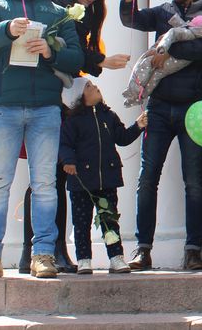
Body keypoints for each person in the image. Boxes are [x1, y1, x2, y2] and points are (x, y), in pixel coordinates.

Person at [0, 0, 83, 281]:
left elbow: (76, 59)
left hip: (45, 109)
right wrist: (7, 29)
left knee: (45, 184)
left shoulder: (58, 14)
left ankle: (43, 255)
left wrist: (50, 51)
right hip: (4, 107)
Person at [17, 0, 131, 274]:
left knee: (51, 176)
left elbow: (78, 55)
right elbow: (71, 51)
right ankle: (43, 249)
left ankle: (42, 249)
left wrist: (98, 62)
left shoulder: (80, 9)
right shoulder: (58, 6)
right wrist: (101, 60)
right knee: (48, 177)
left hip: (62, 95)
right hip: (48, 94)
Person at [120, 0, 202, 271]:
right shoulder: (165, 11)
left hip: (194, 110)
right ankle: (142, 249)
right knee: (147, 179)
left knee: (194, 181)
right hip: (158, 108)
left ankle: (193, 251)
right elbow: (133, 20)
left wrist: (167, 47)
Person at [58, 77, 146, 275]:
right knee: (81, 223)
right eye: (88, 87)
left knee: (109, 220)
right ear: (79, 97)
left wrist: (138, 126)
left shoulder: (109, 116)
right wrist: (68, 161)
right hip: (81, 181)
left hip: (107, 179)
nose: (95, 87)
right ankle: (84, 260)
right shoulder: (73, 121)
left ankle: (116, 257)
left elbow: (122, 138)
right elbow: (64, 144)